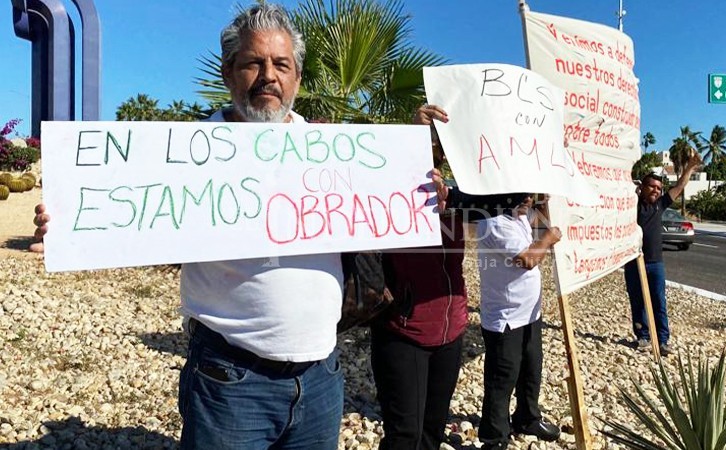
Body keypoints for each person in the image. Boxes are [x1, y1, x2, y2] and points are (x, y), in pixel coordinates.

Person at [30, 4, 436, 449]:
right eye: (253, 63)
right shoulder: (180, 155)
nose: (269, 76)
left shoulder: (331, 149)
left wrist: (423, 186)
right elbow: (127, 216)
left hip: (323, 378)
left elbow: (391, 204)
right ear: (229, 73)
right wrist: (67, 225)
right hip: (230, 383)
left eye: (282, 64)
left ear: (298, 78)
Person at [369, 104, 474, 450]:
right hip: (403, 330)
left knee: (431, 432)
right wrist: (412, 135)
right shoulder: (390, 185)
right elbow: (371, 179)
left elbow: (509, 195)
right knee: (404, 436)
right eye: (428, 142)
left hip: (452, 328)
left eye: (439, 146)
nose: (434, 151)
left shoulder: (459, 194)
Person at [475, 193, 562, 449]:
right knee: (502, 379)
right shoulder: (493, 222)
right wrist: (548, 239)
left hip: (530, 313)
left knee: (531, 371)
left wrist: (544, 204)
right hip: (505, 318)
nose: (527, 198)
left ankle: (527, 418)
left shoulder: (519, 215)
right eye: (520, 194)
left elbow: (541, 222)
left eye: (530, 193)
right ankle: (494, 437)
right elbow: (528, 259)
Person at [624, 152, 702, 357]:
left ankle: (663, 340)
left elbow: (679, 187)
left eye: (659, 188)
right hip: (633, 262)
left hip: (655, 263)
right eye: (651, 187)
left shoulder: (659, 205)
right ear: (642, 188)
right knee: (637, 300)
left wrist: (690, 168)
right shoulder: (632, 205)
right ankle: (643, 337)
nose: (656, 191)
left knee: (659, 300)